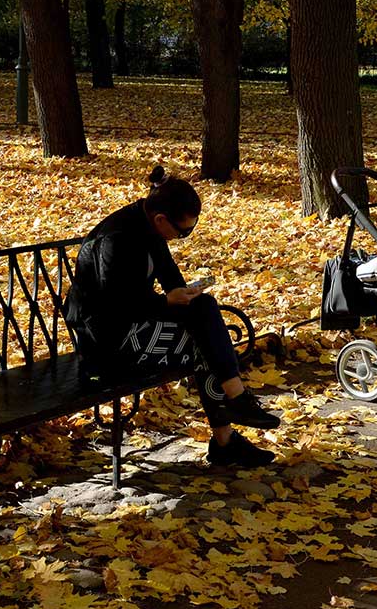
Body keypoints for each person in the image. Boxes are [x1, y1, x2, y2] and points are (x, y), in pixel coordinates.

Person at [64, 165, 280, 467]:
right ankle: (229, 428)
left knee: (204, 313)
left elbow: (170, 280)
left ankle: (234, 411)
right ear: (161, 219)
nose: (184, 237)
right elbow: (117, 304)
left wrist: (185, 293)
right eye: (184, 231)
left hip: (135, 325)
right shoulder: (117, 239)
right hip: (106, 344)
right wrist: (167, 302)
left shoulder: (150, 227)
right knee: (204, 343)